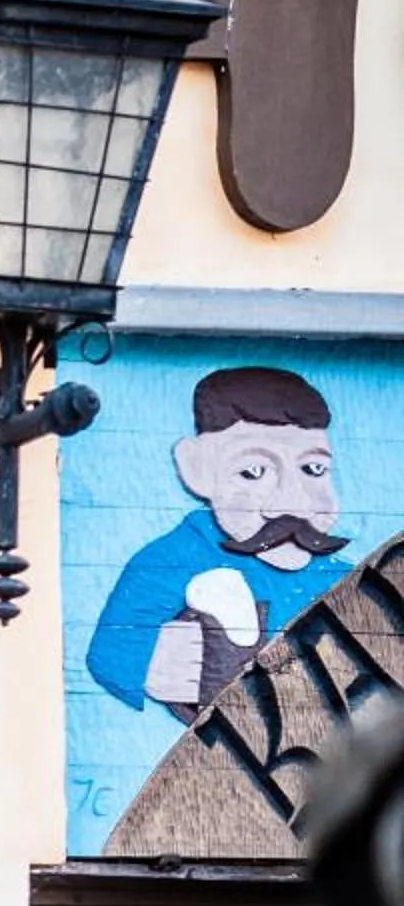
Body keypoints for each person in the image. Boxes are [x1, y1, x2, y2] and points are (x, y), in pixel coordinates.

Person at [86, 366, 357, 856]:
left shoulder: (340, 578)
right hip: (221, 783)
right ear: (197, 469)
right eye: (253, 472)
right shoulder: (175, 557)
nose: (291, 501)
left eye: (313, 470)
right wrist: (152, 662)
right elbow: (110, 650)